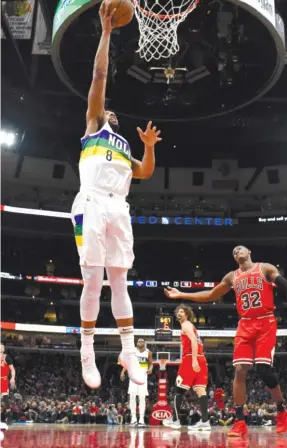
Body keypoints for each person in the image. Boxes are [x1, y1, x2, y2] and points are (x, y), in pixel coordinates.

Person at [71, 1, 162, 389]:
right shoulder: (94, 126)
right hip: (91, 201)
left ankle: (128, 348)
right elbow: (99, 75)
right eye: (106, 111)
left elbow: (143, 172)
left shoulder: (123, 145)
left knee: (121, 281)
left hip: (118, 207)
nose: (110, 113)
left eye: (112, 113)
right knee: (93, 281)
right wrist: (107, 32)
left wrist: (149, 146)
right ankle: (87, 351)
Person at [165, 245, 287, 437]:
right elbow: (210, 295)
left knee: (263, 369)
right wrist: (182, 294)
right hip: (245, 324)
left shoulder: (264, 268)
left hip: (265, 322)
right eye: (234, 252)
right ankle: (240, 421)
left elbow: (285, 285)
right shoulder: (232, 277)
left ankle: (281, 410)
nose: (237, 252)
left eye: (240, 249)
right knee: (240, 369)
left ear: (249, 251)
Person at [163, 304, 211, 431]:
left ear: (187, 314)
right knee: (201, 390)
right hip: (202, 359)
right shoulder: (191, 326)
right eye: (178, 311)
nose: (179, 313)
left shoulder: (186, 325)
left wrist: (193, 360)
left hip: (191, 358)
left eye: (182, 311)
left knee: (178, 389)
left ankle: (175, 420)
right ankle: (205, 421)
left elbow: (194, 341)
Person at [120, 338, 153, 427]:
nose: (140, 342)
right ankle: (133, 419)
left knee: (142, 398)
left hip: (143, 377)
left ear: (144, 343)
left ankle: (141, 420)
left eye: (142, 341)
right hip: (133, 376)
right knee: (132, 397)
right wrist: (123, 372)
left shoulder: (148, 352)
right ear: (136, 343)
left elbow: (151, 363)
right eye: (139, 341)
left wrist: (150, 368)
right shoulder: (132, 352)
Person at [0, 344, 16, 427]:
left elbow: (12, 369)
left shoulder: (7, 357)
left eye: (2, 347)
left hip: (3, 379)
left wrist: (12, 377)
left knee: (5, 397)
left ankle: (9, 416)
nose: (1, 348)